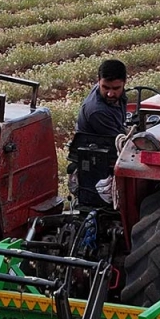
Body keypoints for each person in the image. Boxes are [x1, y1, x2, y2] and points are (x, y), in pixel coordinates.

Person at [68, 59, 127, 208]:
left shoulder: (115, 98)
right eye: (105, 87)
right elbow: (120, 144)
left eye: (116, 88)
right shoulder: (97, 111)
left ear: (124, 83)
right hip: (100, 159)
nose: (110, 93)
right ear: (98, 81)